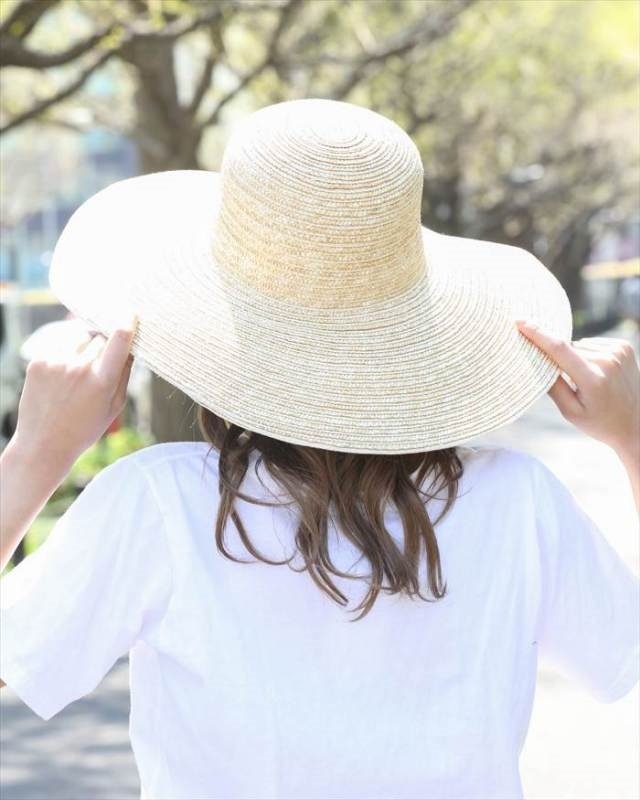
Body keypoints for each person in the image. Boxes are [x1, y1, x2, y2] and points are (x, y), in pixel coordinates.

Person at [1, 99, 639, 800]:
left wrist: (36, 453)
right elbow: (625, 653)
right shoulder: (519, 500)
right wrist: (632, 438)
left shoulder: (157, 503)